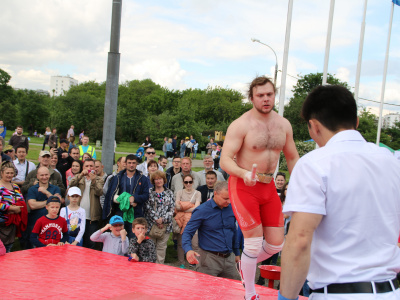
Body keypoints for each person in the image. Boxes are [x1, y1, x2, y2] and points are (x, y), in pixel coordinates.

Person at [279, 85, 400, 300]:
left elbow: (299, 240)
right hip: (390, 290)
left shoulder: (313, 164)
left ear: (313, 126)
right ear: (357, 122)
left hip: (338, 292)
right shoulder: (391, 162)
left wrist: (286, 297)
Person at [220, 76, 299, 300]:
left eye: (269, 94)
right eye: (260, 95)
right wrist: (244, 173)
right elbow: (225, 160)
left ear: (275, 95)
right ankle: (250, 294)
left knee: (276, 245)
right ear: (252, 98)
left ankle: (245, 264)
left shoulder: (283, 124)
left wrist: (303, 183)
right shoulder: (241, 124)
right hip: (243, 185)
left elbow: (292, 157)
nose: (266, 99)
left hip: (268, 186)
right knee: (253, 244)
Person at [183, 181, 240, 279]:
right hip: (208, 259)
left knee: (234, 288)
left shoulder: (231, 208)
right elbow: (187, 232)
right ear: (215, 194)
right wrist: (188, 250)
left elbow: (233, 231)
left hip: (229, 258)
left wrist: (237, 253)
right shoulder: (202, 210)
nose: (229, 201)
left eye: (230, 198)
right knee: (206, 290)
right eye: (225, 198)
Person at [103, 154, 150, 240]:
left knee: (134, 240)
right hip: (120, 213)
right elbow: (110, 195)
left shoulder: (143, 179)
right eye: (129, 163)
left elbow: (146, 195)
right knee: (119, 240)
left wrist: (135, 198)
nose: (131, 165)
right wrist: (125, 200)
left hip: (136, 214)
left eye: (133, 163)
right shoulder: (117, 178)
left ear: (137, 164)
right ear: (125, 163)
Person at [69, 158, 104, 249]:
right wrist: (80, 175)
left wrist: (93, 181)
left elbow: (99, 192)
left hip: (91, 217)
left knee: (90, 243)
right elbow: (71, 185)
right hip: (77, 216)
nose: (89, 168)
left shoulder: (99, 179)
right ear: (83, 167)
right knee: (77, 240)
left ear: (95, 167)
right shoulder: (80, 178)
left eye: (91, 166)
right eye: (86, 166)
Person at [25, 166, 62, 249]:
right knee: (36, 251)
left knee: (53, 251)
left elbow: (58, 202)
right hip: (35, 224)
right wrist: (50, 202)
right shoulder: (32, 189)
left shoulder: (55, 188)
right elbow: (32, 205)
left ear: (49, 175)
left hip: (53, 226)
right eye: (42, 175)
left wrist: (46, 192)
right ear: (37, 176)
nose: (44, 177)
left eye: (46, 175)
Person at [145, 171, 175, 264]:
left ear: (164, 180)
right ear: (153, 181)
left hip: (165, 226)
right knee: (151, 247)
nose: (158, 181)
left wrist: (163, 220)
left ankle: (159, 268)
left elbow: (172, 209)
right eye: (156, 179)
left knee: (161, 248)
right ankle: (150, 268)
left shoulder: (169, 192)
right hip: (151, 225)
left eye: (160, 178)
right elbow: (147, 208)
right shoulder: (149, 192)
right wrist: (157, 220)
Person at [175, 174, 201, 269]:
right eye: (186, 182)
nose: (188, 184)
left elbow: (196, 208)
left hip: (193, 221)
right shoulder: (180, 192)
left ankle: (194, 262)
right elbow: (176, 206)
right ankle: (182, 262)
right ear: (183, 183)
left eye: (190, 182)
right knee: (181, 243)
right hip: (181, 221)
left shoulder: (197, 193)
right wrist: (190, 205)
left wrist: (183, 206)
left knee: (195, 243)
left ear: (193, 182)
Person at [0, 161, 26, 252]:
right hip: (1, 223)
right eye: (7, 173)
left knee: (8, 249)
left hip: (12, 224)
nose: (9, 175)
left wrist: (18, 208)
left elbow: (22, 201)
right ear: (1, 173)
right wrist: (11, 208)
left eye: (11, 173)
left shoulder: (15, 187)